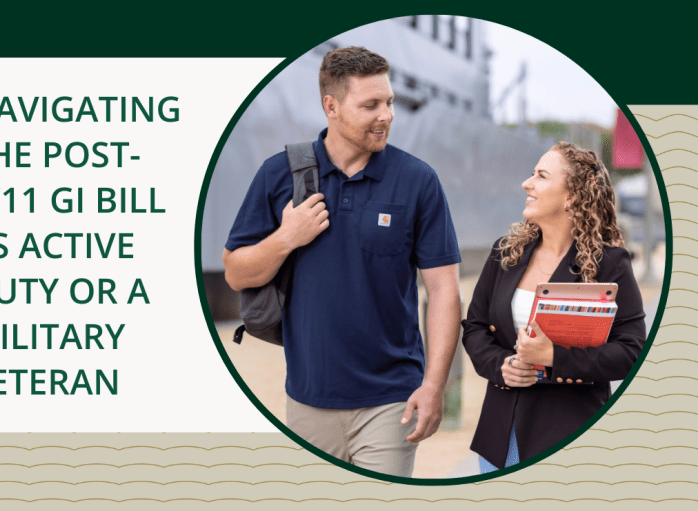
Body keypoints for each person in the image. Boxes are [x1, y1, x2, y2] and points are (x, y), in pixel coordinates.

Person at [223, 46, 461, 477]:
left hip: (392, 399)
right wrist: (286, 238)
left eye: (388, 102)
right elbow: (237, 272)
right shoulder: (278, 176)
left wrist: (434, 386)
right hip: (307, 398)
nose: (385, 114)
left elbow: (444, 289)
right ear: (331, 107)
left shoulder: (417, 180)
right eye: (370, 105)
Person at [462, 141, 646, 472]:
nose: (527, 183)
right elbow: (474, 327)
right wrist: (501, 365)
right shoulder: (505, 253)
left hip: (567, 433)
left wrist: (552, 357)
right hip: (499, 438)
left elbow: (630, 353)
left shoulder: (610, 264)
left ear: (572, 196)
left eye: (541, 176)